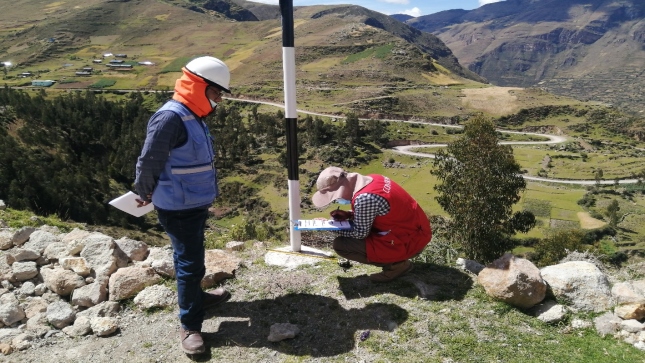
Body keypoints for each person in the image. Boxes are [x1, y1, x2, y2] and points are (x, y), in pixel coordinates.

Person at [134, 56, 231, 355]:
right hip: (177, 206)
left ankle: (196, 299)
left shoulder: (192, 114)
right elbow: (149, 160)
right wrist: (143, 190)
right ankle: (190, 325)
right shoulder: (171, 117)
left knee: (188, 257)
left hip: (191, 202)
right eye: (216, 93)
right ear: (199, 86)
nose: (217, 100)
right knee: (190, 263)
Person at [312, 166, 432, 282]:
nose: (337, 200)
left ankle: (396, 266)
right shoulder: (374, 178)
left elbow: (360, 233)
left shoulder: (365, 198)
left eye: (335, 197)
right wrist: (349, 214)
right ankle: (397, 261)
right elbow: (379, 211)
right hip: (415, 232)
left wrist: (327, 226)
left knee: (341, 245)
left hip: (410, 241)